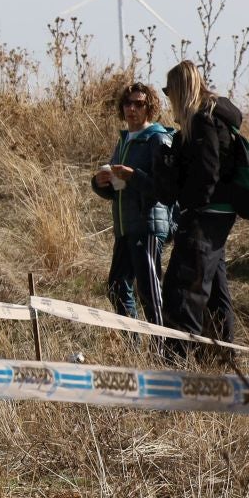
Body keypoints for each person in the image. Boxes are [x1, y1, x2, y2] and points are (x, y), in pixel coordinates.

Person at [156, 60, 244, 363]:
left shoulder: (203, 120)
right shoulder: (209, 120)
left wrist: (192, 206)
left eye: (169, 90)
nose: (168, 97)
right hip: (217, 215)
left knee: (183, 290)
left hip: (205, 216)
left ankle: (175, 365)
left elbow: (207, 172)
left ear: (181, 89)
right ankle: (220, 362)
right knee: (216, 293)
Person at [91, 82, 175, 326]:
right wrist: (100, 182)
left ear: (149, 107)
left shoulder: (157, 139)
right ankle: (134, 344)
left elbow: (164, 188)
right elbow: (117, 191)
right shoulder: (125, 140)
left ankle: (162, 349)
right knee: (116, 287)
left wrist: (132, 175)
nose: (132, 108)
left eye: (139, 103)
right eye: (127, 103)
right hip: (125, 226)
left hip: (148, 225)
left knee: (149, 292)